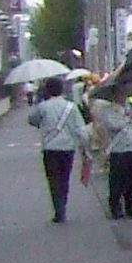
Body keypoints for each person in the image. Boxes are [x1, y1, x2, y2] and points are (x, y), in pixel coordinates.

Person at [27, 80, 91, 223]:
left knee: (53, 179)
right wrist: (85, 149)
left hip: (50, 148)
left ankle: (58, 209)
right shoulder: (71, 107)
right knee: (64, 178)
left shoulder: (43, 107)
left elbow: (31, 120)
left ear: (48, 91)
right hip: (68, 148)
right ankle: (63, 204)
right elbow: (80, 129)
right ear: (62, 90)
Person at [96, 91, 132, 218]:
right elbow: (114, 125)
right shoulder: (108, 109)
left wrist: (130, 115)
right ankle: (115, 207)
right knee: (117, 180)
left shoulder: (130, 107)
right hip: (117, 149)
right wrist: (127, 117)